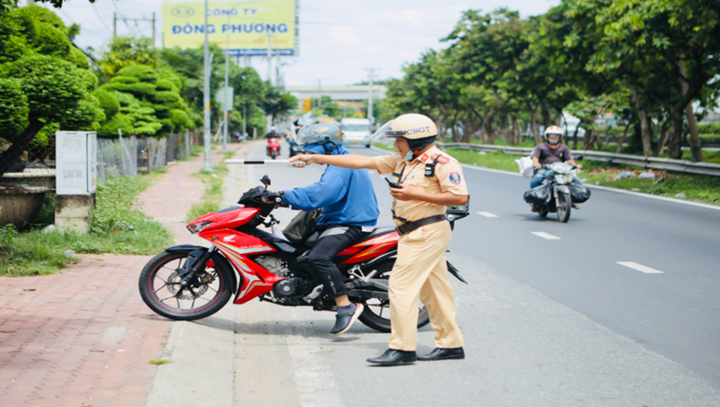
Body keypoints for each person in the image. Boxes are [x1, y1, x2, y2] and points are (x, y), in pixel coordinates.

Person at [290, 113, 468, 366]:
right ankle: (451, 344)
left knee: (400, 289)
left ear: (416, 139)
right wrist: (312, 158)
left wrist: (412, 194)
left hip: (425, 232)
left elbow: (459, 198)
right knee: (435, 292)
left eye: (399, 140)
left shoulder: (442, 162)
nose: (395, 144)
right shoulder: (404, 161)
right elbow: (360, 161)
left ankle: (402, 349)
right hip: (412, 231)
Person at [265, 123, 379, 336]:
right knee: (296, 249)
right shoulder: (339, 160)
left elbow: (321, 194)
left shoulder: (341, 166)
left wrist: (283, 195)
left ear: (329, 145)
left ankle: (345, 305)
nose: (308, 151)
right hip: (339, 218)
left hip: (351, 221)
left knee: (318, 257)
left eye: (312, 147)